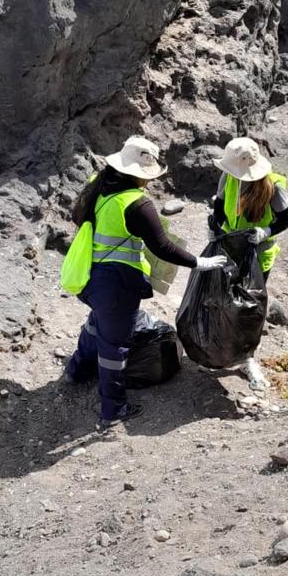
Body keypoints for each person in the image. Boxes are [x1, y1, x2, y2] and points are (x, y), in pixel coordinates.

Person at [65, 135, 226, 431]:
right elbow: (162, 247)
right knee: (114, 347)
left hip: (89, 274)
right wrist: (198, 262)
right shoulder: (137, 203)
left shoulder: (98, 184)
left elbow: (78, 217)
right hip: (118, 284)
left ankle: (76, 369)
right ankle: (113, 408)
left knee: (97, 322)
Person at [209, 136, 288, 391]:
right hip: (231, 250)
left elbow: (286, 219)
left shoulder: (273, 187)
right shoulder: (228, 178)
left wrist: (265, 232)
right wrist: (214, 227)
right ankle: (223, 348)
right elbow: (220, 209)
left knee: (249, 307)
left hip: (258, 256)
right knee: (224, 300)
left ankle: (247, 358)